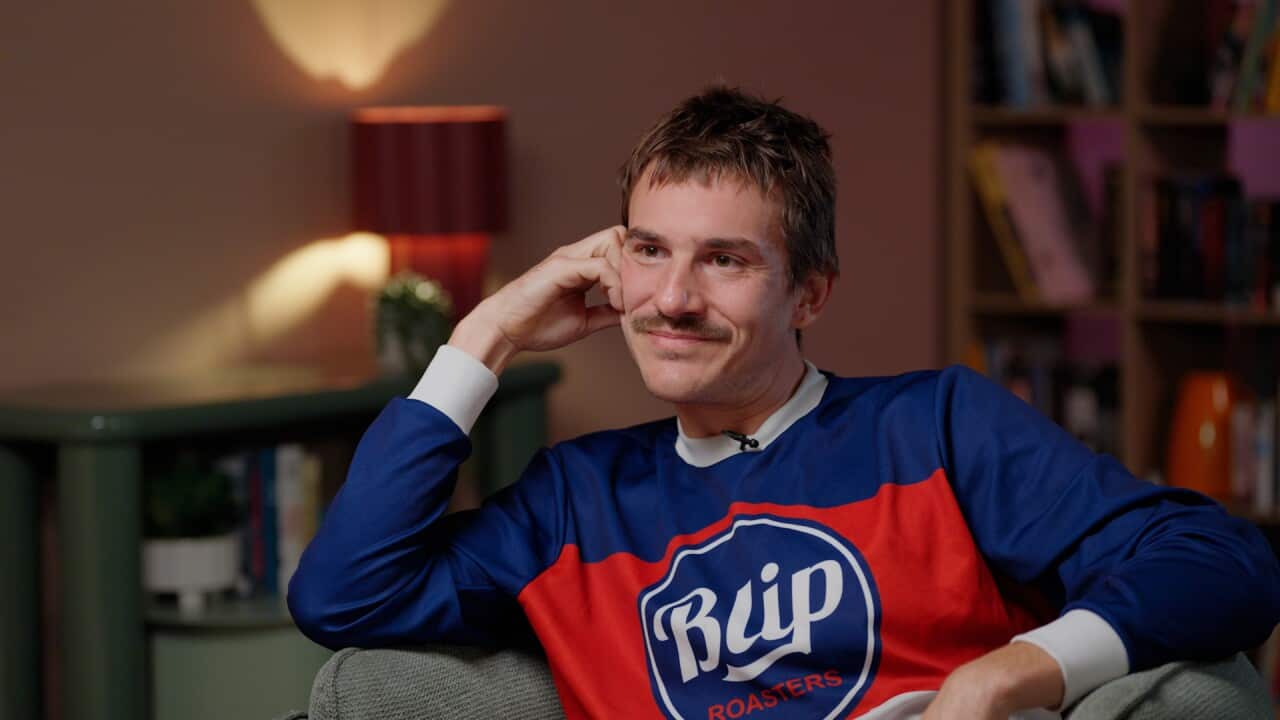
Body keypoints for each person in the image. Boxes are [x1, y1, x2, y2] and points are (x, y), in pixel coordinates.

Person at [288, 87, 1280, 719]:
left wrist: (1007, 673)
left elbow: (1219, 561)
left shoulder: (930, 428)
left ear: (808, 293)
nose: (672, 299)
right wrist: (484, 338)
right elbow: (343, 597)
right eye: (647, 251)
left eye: (723, 260)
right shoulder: (572, 501)